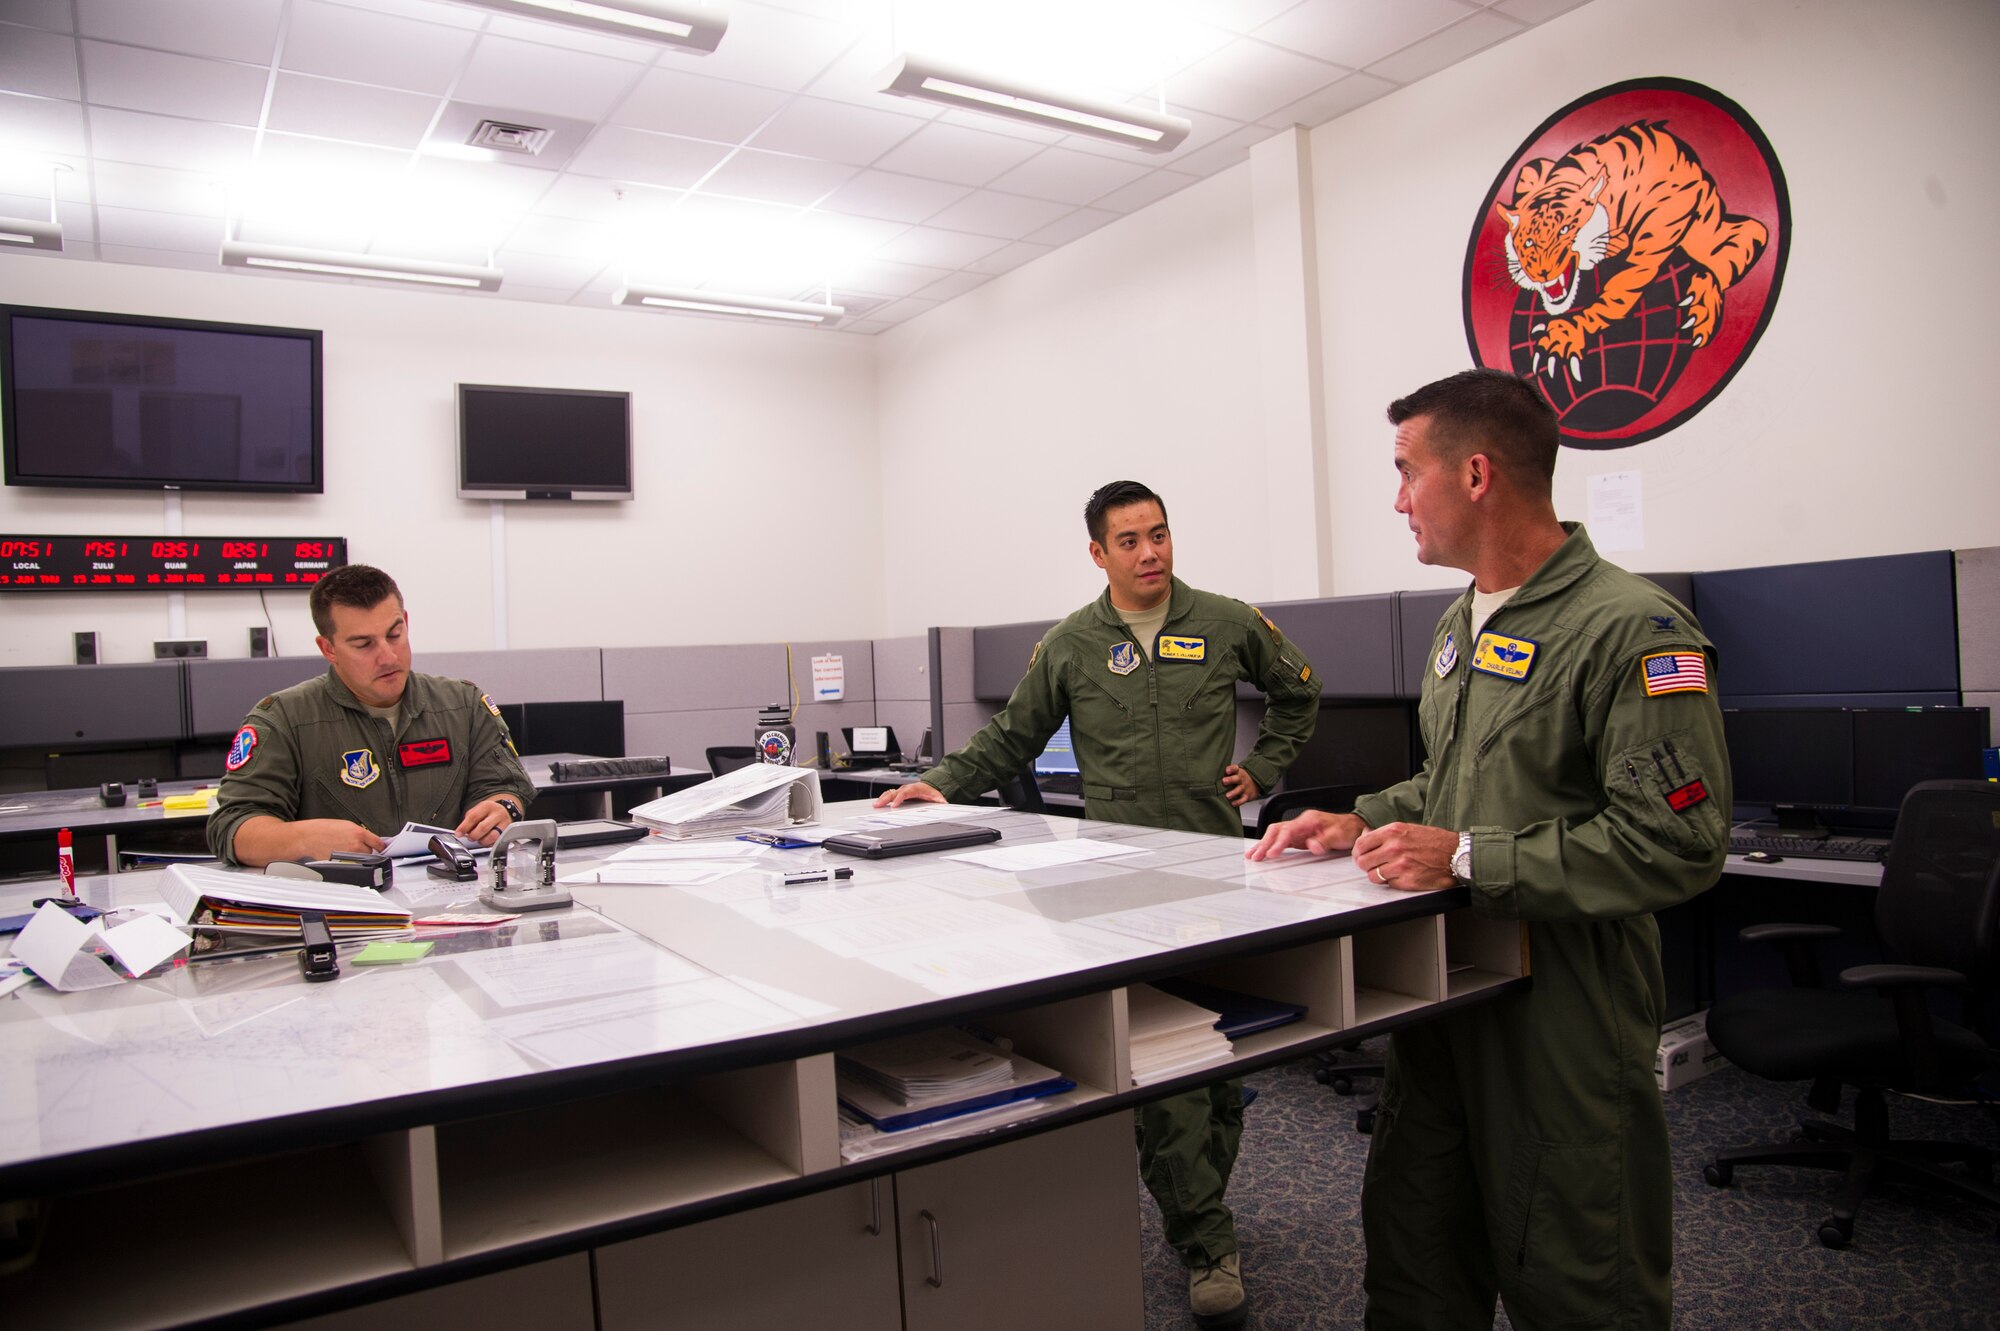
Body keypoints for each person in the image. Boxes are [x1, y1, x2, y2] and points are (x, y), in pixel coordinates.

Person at [1248, 369, 1729, 1330]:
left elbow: (1675, 841)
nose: (1394, 499)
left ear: (1474, 475)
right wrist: (1362, 817)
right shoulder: (1460, 622)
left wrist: (1466, 857)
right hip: (1444, 1000)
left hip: (1562, 1016)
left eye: (1403, 472)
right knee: (1418, 1259)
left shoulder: (1631, 631)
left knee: (1581, 1279)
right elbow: (1458, 780)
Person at [876, 480, 1321, 1329]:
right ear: (1098, 553)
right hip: (1119, 881)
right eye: (1130, 541)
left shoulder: (1226, 621)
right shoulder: (1074, 643)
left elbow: (1301, 690)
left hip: (1217, 870)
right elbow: (1012, 733)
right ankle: (1204, 1237)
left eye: (1160, 535)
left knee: (1217, 1057)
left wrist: (1263, 769)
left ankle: (1193, 1204)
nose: (1151, 552)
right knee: (1165, 1068)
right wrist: (938, 783)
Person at [207, 564, 535, 869]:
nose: (388, 656)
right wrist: (301, 839)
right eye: (364, 644)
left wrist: (502, 807)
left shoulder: (464, 704)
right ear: (328, 649)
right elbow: (232, 825)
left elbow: (505, 787)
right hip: (344, 907)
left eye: (395, 634)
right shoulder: (283, 719)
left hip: (455, 897)